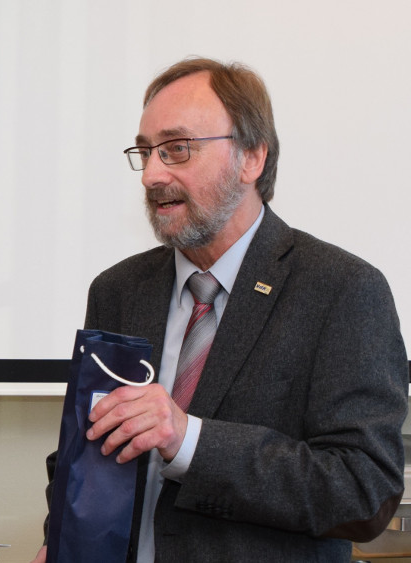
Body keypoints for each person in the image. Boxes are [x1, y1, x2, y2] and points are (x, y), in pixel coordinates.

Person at [34, 57, 408, 562]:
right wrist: (60, 541)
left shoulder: (341, 290)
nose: (150, 174)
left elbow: (362, 492)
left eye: (176, 149)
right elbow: (86, 446)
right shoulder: (118, 289)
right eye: (144, 152)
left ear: (252, 157)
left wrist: (189, 440)